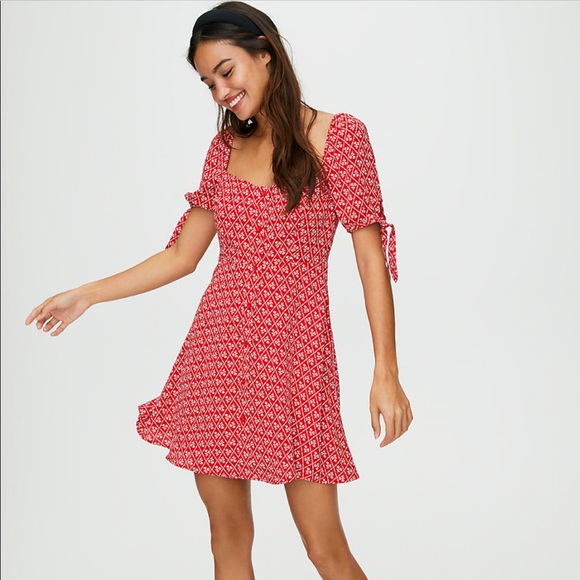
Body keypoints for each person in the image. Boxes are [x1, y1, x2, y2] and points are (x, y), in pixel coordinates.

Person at [25, 2, 413, 578]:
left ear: (266, 53)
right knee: (228, 536)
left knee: (324, 547)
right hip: (217, 359)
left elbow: (369, 260)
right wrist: (87, 294)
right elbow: (181, 256)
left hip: (296, 359)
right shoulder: (224, 150)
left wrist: (386, 371)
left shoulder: (339, 137)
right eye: (208, 83)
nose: (220, 92)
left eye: (226, 71)